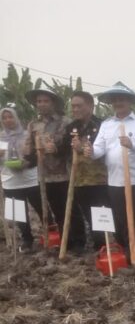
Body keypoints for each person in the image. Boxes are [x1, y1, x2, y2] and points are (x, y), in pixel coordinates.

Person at [81, 82, 135, 260]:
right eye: (115, 100)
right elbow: (99, 148)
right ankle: (130, 252)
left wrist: (132, 145)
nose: (118, 103)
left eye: (122, 99)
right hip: (116, 181)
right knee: (121, 219)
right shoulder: (107, 125)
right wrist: (91, 151)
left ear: (130, 102)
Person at [24, 87, 86, 251]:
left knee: (71, 208)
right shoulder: (33, 125)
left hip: (65, 173)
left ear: (53, 103)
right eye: (39, 101)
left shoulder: (65, 122)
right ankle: (66, 241)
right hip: (45, 175)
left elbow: (70, 146)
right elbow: (29, 152)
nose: (42, 104)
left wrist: (56, 149)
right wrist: (27, 154)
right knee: (58, 210)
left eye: (45, 101)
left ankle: (79, 241)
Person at [61, 91, 110, 250]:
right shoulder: (71, 127)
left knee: (101, 213)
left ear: (90, 105)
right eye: (73, 106)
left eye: (79, 106)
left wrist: (82, 148)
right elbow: (63, 151)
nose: (75, 109)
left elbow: (103, 149)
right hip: (79, 180)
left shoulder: (102, 125)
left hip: (100, 179)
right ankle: (97, 243)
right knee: (88, 214)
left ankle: (105, 244)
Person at [1, 106, 45, 251]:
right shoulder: (0, 138)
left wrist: (25, 162)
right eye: (4, 117)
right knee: (19, 214)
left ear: (16, 118)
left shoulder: (27, 136)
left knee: (42, 208)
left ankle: (50, 234)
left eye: (10, 116)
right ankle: (27, 239)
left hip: (30, 179)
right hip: (10, 182)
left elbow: (36, 155)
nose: (8, 120)